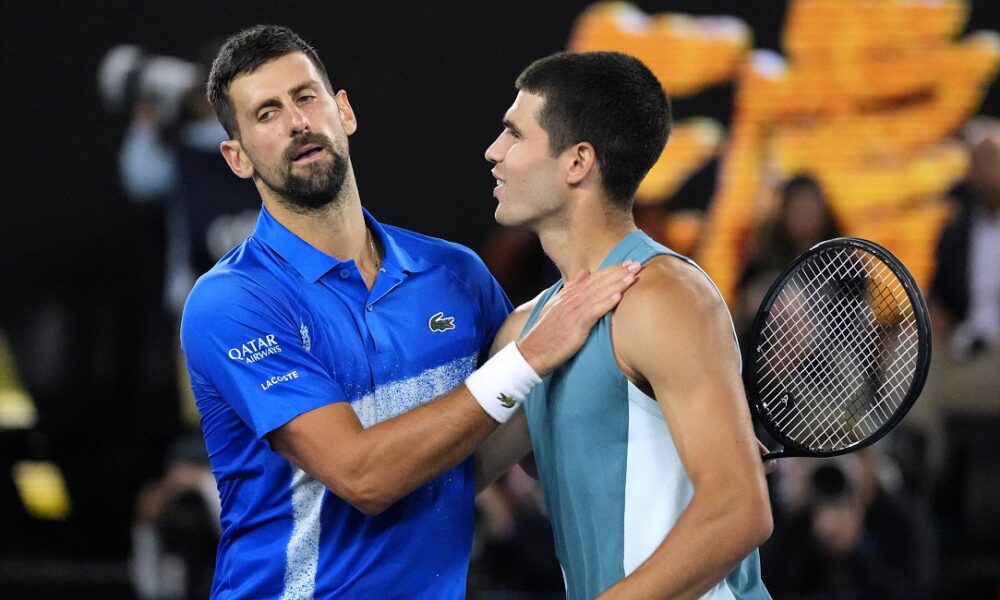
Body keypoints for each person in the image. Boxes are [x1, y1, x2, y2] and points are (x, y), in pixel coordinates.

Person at [179, 25, 639, 599]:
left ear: (343, 111)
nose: (297, 123)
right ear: (237, 157)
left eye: (306, 97)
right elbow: (363, 476)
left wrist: (673, 441)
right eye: (266, 114)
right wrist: (533, 355)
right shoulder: (233, 301)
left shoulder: (457, 274)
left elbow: (515, 432)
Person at [479, 51, 773, 599]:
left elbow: (739, 512)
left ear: (577, 162)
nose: (493, 153)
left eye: (514, 135)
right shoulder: (527, 334)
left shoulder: (665, 297)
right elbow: (456, 480)